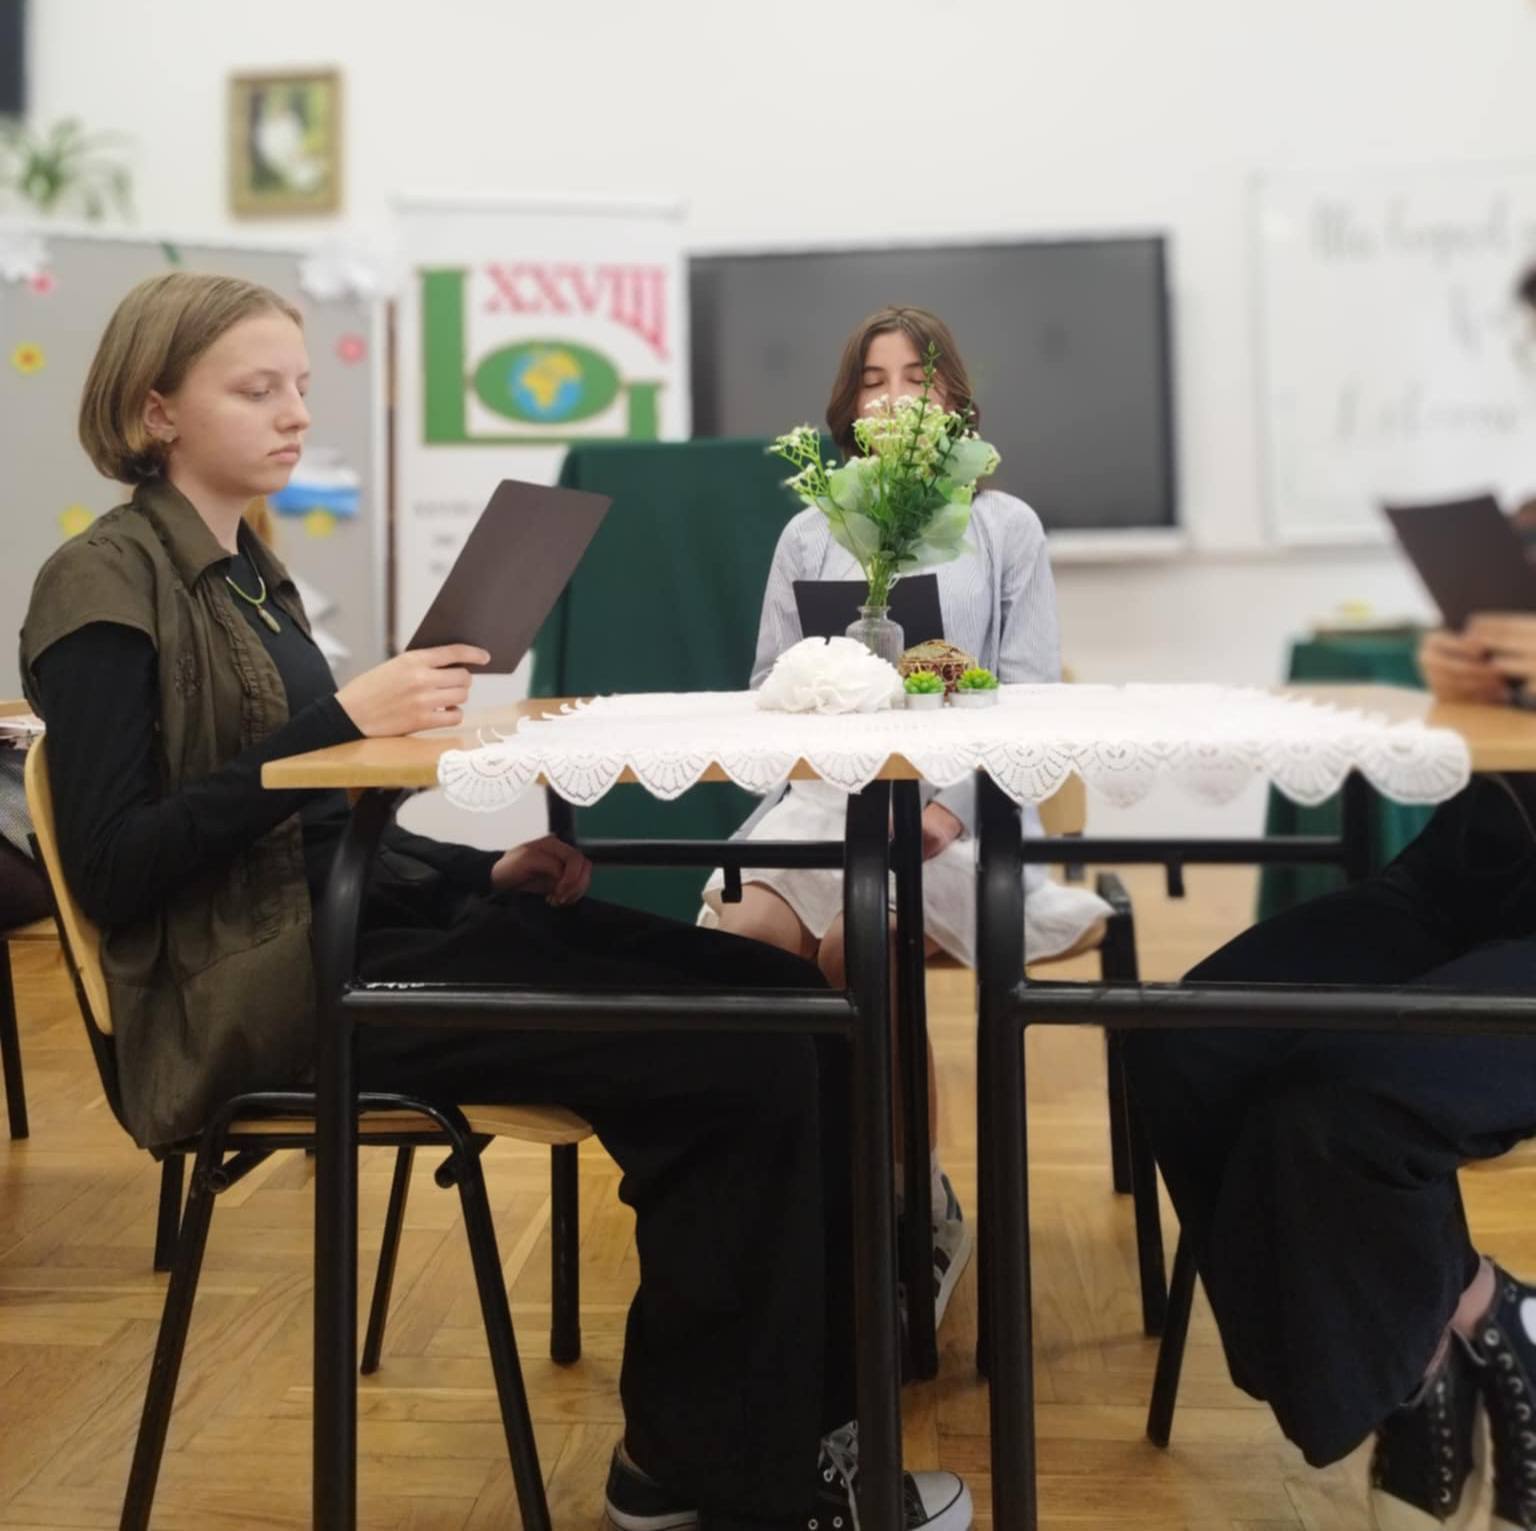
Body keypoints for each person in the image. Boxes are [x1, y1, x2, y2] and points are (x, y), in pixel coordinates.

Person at [18, 272, 972, 1531]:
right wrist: (335, 722)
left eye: (298, 386)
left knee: (796, 1004)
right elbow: (115, 864)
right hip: (272, 994)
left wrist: (483, 872)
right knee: (747, 1059)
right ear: (155, 411)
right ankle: (751, 1481)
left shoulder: (252, 576)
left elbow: (314, 827)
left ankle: (715, 1451)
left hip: (366, 933)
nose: (296, 413)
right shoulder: (98, 585)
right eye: (257, 390)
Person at [701, 304, 1110, 1330]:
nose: (892, 398)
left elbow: (1030, 701)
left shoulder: (1004, 526)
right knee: (743, 937)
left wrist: (947, 810)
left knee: (861, 944)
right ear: (847, 408)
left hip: (953, 818)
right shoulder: (810, 529)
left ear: (954, 401)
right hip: (819, 807)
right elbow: (766, 688)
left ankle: (909, 1200)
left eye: (916, 379)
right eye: (872, 380)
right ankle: (792, 1195)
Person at [1123, 609, 1536, 1530]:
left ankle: (1423, 1370)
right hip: (1474, 875)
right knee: (1185, 1041)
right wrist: (1483, 671)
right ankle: (1458, 1331)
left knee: (1337, 1097)